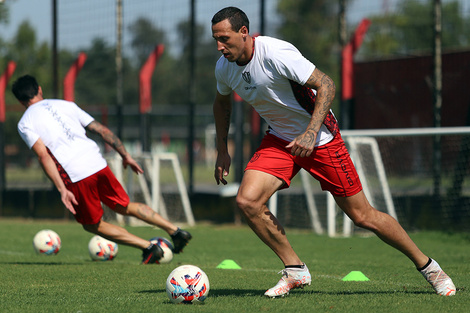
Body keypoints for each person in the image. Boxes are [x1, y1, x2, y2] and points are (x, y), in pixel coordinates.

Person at [211, 7, 456, 297]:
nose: (219, 46)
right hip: (280, 140)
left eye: (224, 38)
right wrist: (222, 149)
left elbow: (326, 84)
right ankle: (295, 270)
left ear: (244, 33)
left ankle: (430, 268)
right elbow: (221, 103)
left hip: (322, 138)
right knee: (248, 201)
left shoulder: (276, 53)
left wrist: (311, 133)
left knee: (363, 216)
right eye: (215, 39)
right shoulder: (223, 68)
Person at [12, 75, 192, 264]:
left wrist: (62, 189)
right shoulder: (66, 105)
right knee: (124, 206)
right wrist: (125, 155)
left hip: (76, 174)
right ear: (39, 89)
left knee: (92, 225)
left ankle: (149, 247)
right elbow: (102, 130)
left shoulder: (25, 123)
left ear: (20, 100)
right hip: (98, 163)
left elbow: (43, 156)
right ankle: (175, 230)